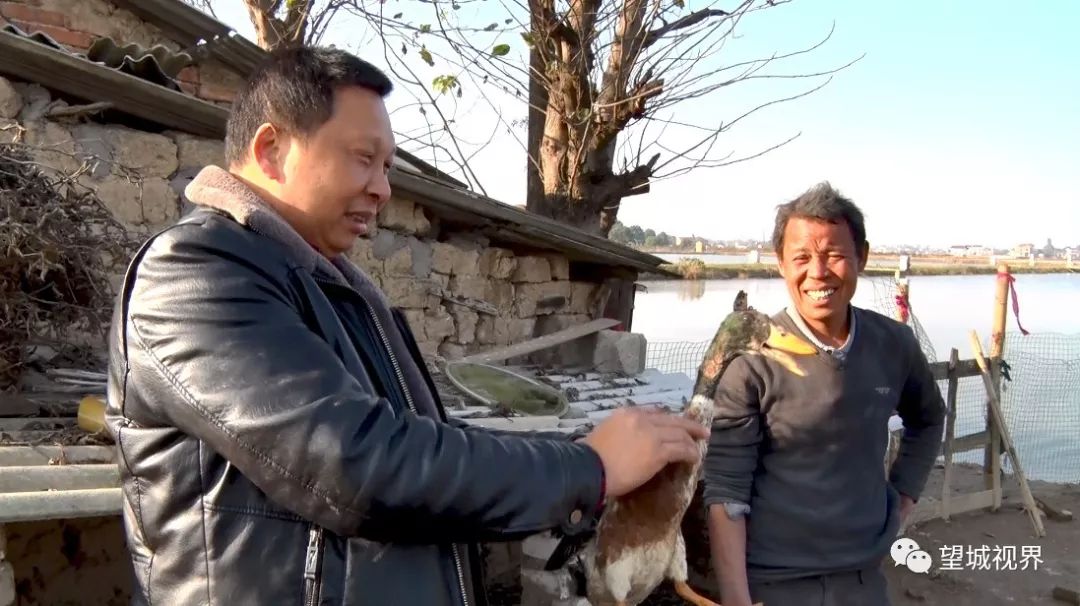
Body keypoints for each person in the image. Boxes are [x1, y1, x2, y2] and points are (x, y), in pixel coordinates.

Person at [104, 46, 709, 605]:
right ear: (271, 150)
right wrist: (588, 470)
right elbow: (358, 462)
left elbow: (422, 446)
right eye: (364, 159)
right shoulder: (192, 273)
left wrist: (578, 454)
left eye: (388, 165)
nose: (383, 188)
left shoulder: (332, 287)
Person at [703, 182, 946, 606]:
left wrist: (903, 494)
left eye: (833, 254)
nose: (818, 272)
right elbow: (727, 492)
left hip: (863, 577)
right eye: (801, 257)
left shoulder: (894, 344)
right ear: (781, 264)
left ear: (862, 258)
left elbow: (928, 418)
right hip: (775, 580)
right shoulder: (753, 357)